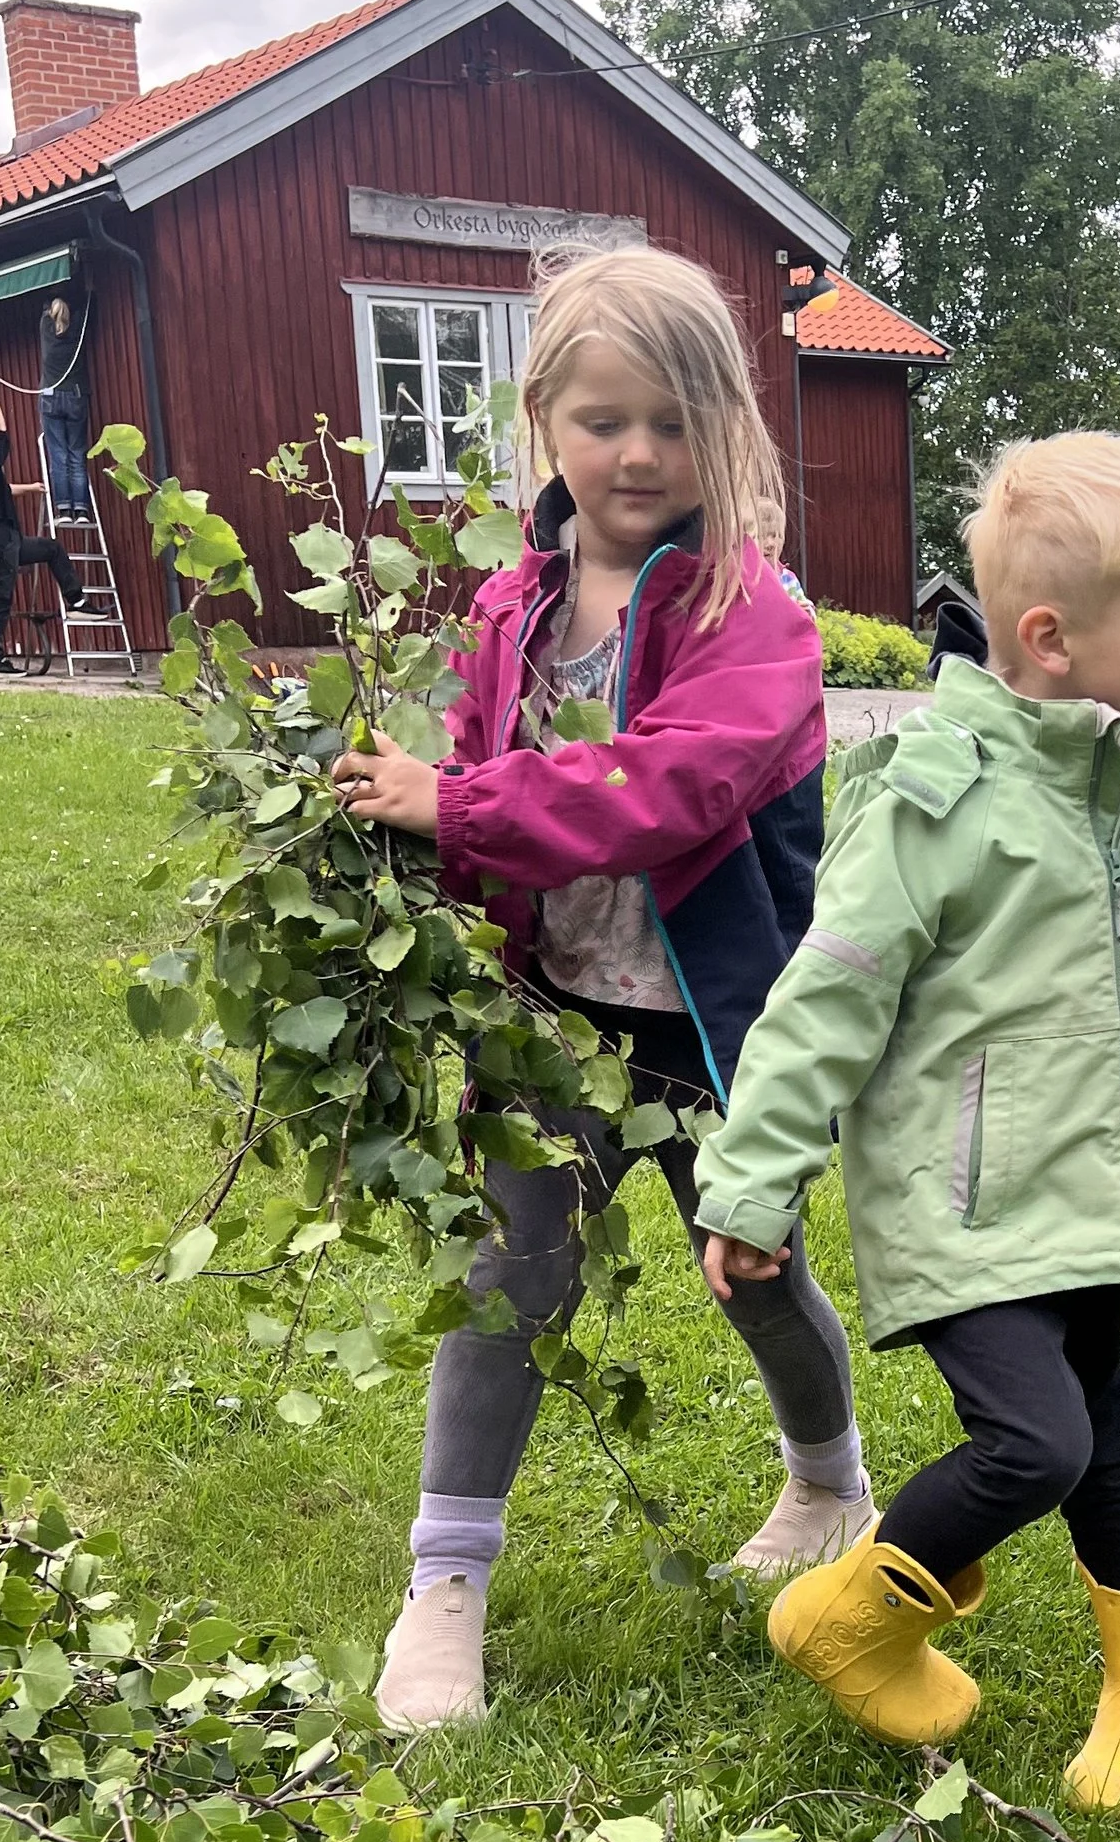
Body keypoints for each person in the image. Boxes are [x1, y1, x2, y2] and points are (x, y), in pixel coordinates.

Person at [692, 434, 1120, 1811]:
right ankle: (850, 1615)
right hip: (969, 1200)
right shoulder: (938, 803)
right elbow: (822, 1005)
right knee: (1038, 1443)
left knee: (1111, 1438)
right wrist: (752, 1182)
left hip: (1093, 1192)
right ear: (1050, 638)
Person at [329, 246, 873, 1732]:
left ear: (725, 429)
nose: (637, 454)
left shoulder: (753, 616)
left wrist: (458, 806)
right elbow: (460, 776)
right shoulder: (510, 611)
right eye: (602, 419)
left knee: (749, 1268)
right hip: (549, 1012)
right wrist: (383, 848)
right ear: (544, 422)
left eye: (672, 422)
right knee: (508, 1283)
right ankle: (444, 1586)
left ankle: (830, 1486)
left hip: (710, 1021)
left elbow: (673, 790)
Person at [0, 414, 86, 675]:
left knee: (51, 548)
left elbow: (3, 489)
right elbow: (0, 433)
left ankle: (76, 601)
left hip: (5, 540)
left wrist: (30, 488)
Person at [38, 293, 92, 519]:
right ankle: (80, 508)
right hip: (75, 395)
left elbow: (43, 311)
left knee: (59, 454)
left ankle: (63, 508)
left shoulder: (46, 328)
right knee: (77, 454)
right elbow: (87, 305)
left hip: (51, 396)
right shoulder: (77, 330)